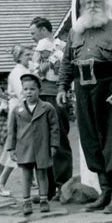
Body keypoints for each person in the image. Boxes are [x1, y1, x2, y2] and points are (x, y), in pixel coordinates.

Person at [57, 0, 112, 214]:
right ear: (82, 6)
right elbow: (67, 62)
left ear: (106, 4)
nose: (92, 6)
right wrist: (62, 87)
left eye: (97, 2)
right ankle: (106, 191)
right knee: (92, 140)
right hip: (83, 89)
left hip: (110, 88)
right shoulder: (75, 32)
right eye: (87, 2)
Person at [30, 18, 73, 200]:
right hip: (41, 93)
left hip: (57, 92)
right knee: (42, 139)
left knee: (59, 136)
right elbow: (34, 72)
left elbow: (67, 68)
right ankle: (47, 188)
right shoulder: (39, 49)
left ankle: (63, 184)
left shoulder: (63, 46)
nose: (32, 37)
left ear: (43, 30)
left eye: (33, 32)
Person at [7, 73, 60, 215]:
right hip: (25, 148)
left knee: (42, 173)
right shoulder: (17, 110)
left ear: (39, 91)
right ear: (22, 91)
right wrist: (11, 148)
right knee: (26, 175)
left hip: (42, 147)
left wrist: (53, 145)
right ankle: (26, 202)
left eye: (32, 89)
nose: (29, 92)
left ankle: (44, 199)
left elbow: (54, 128)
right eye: (26, 89)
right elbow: (12, 130)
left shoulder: (47, 108)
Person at [0, 44, 33, 196]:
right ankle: (0, 183)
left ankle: (0, 182)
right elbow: (23, 94)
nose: (30, 57)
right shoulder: (17, 73)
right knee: (16, 148)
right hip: (20, 111)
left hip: (21, 110)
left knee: (11, 148)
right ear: (19, 57)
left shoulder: (25, 70)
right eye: (27, 55)